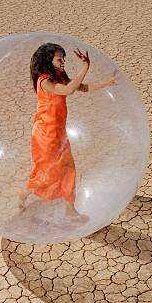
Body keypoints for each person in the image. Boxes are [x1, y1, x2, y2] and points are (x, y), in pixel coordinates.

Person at [18, 42, 118, 221]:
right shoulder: (44, 80)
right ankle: (24, 193)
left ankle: (70, 210)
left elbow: (82, 88)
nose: (63, 61)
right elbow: (68, 90)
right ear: (49, 60)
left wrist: (107, 83)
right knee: (48, 173)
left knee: (69, 169)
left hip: (58, 133)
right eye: (59, 59)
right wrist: (85, 67)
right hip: (45, 135)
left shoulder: (58, 76)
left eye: (64, 58)